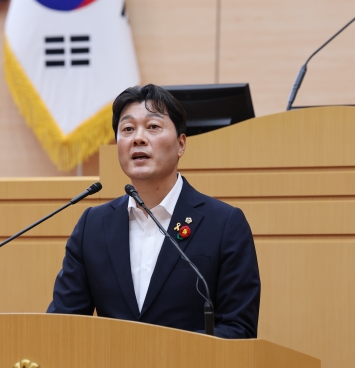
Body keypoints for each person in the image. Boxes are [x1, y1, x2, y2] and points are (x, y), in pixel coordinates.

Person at [47, 84, 260, 338]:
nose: (138, 138)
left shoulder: (224, 224)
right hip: (112, 364)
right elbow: (62, 325)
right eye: (128, 129)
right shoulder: (92, 226)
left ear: (181, 144)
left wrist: (166, 356)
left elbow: (239, 329)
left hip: (191, 365)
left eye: (153, 126)